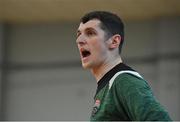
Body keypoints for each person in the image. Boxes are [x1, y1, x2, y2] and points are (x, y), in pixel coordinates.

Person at [76, 11, 171, 121]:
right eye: (79, 34)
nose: (79, 40)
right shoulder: (109, 86)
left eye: (90, 33)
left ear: (114, 41)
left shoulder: (124, 81)